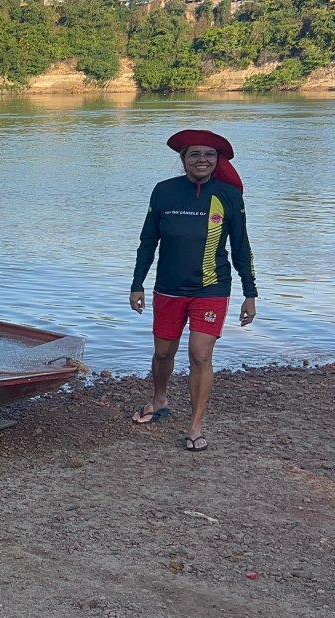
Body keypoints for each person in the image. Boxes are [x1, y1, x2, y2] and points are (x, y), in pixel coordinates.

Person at [130, 129, 258, 452]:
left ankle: (195, 426)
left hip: (212, 288)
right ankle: (159, 399)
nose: (202, 160)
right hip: (169, 290)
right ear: (183, 159)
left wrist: (250, 293)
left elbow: (242, 248)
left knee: (200, 355)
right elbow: (147, 243)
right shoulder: (163, 192)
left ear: (217, 161)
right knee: (163, 353)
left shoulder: (229, 197)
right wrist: (137, 284)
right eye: (194, 155)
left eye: (209, 155)